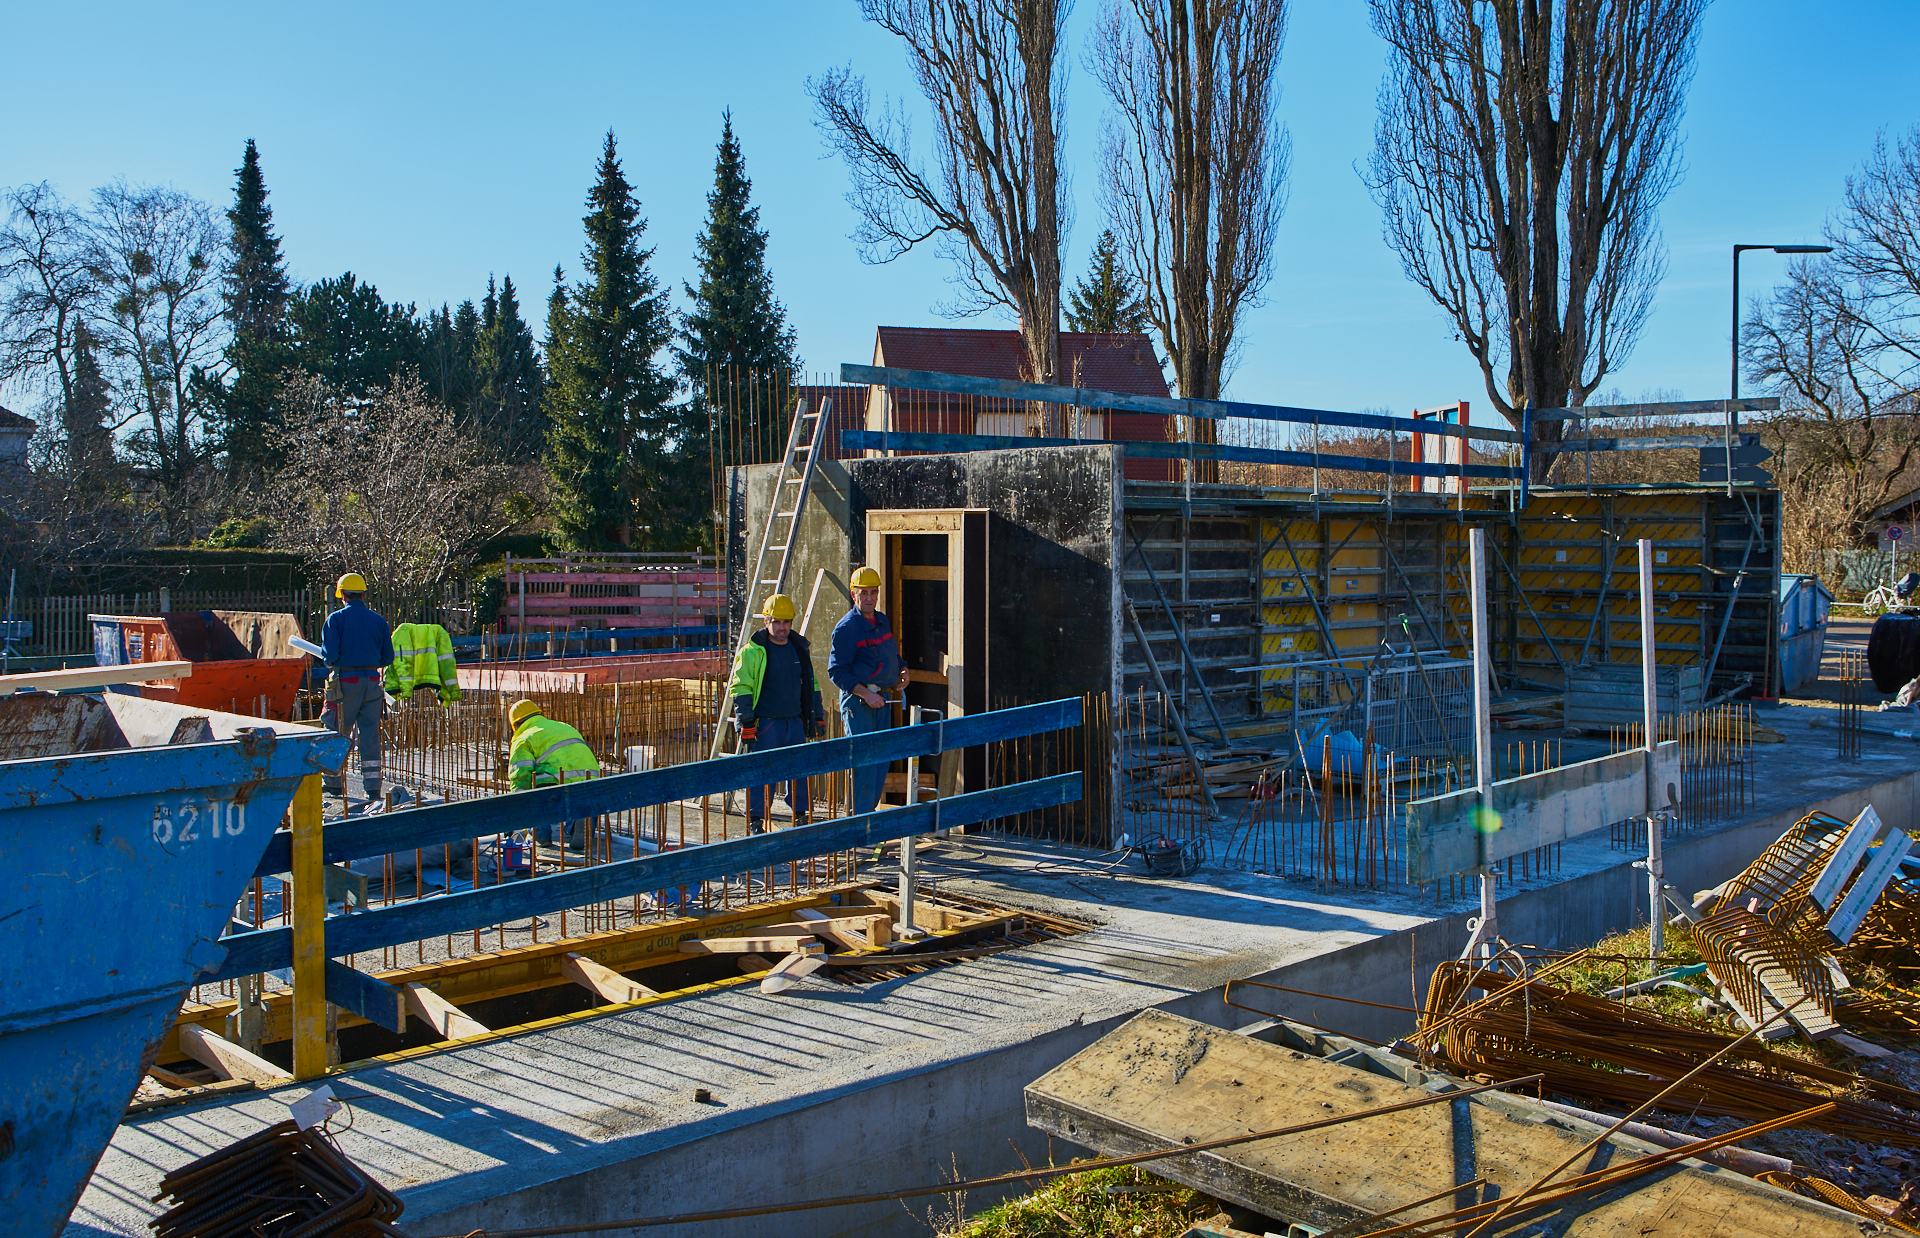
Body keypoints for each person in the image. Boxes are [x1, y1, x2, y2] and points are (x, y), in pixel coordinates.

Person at [728, 592, 826, 830]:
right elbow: (741, 686)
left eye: (786, 622)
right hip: (766, 724)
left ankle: (801, 813)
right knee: (763, 772)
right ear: (766, 621)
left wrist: (817, 715)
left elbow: (811, 683)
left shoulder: (799, 649)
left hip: (794, 722)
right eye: (776, 622)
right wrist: (746, 721)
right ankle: (756, 819)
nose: (781, 627)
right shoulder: (752, 651)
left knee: (799, 770)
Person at [828, 566, 910, 816]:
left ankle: (867, 816)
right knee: (863, 763)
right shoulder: (847, 628)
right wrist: (866, 694)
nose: (869, 598)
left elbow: (891, 655)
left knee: (880, 761)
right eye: (863, 593)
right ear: (854, 594)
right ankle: (859, 821)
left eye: (873, 592)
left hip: (882, 701)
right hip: (859, 704)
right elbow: (836, 672)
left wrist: (903, 670)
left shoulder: (882, 620)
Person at [320, 572, 394, 812]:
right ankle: (372, 788)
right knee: (370, 735)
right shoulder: (378, 621)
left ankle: (333, 784)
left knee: (335, 732)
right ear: (364, 594)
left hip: (345, 683)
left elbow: (329, 657)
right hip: (373, 682)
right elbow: (388, 657)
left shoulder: (335, 620)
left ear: (341, 595)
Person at [506, 698, 600, 848]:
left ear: (515, 725)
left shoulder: (523, 737)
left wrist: (519, 803)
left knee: (536, 795)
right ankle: (577, 825)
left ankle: (540, 834)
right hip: (591, 776)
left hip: (555, 778)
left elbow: (521, 775)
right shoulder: (563, 726)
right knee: (585, 802)